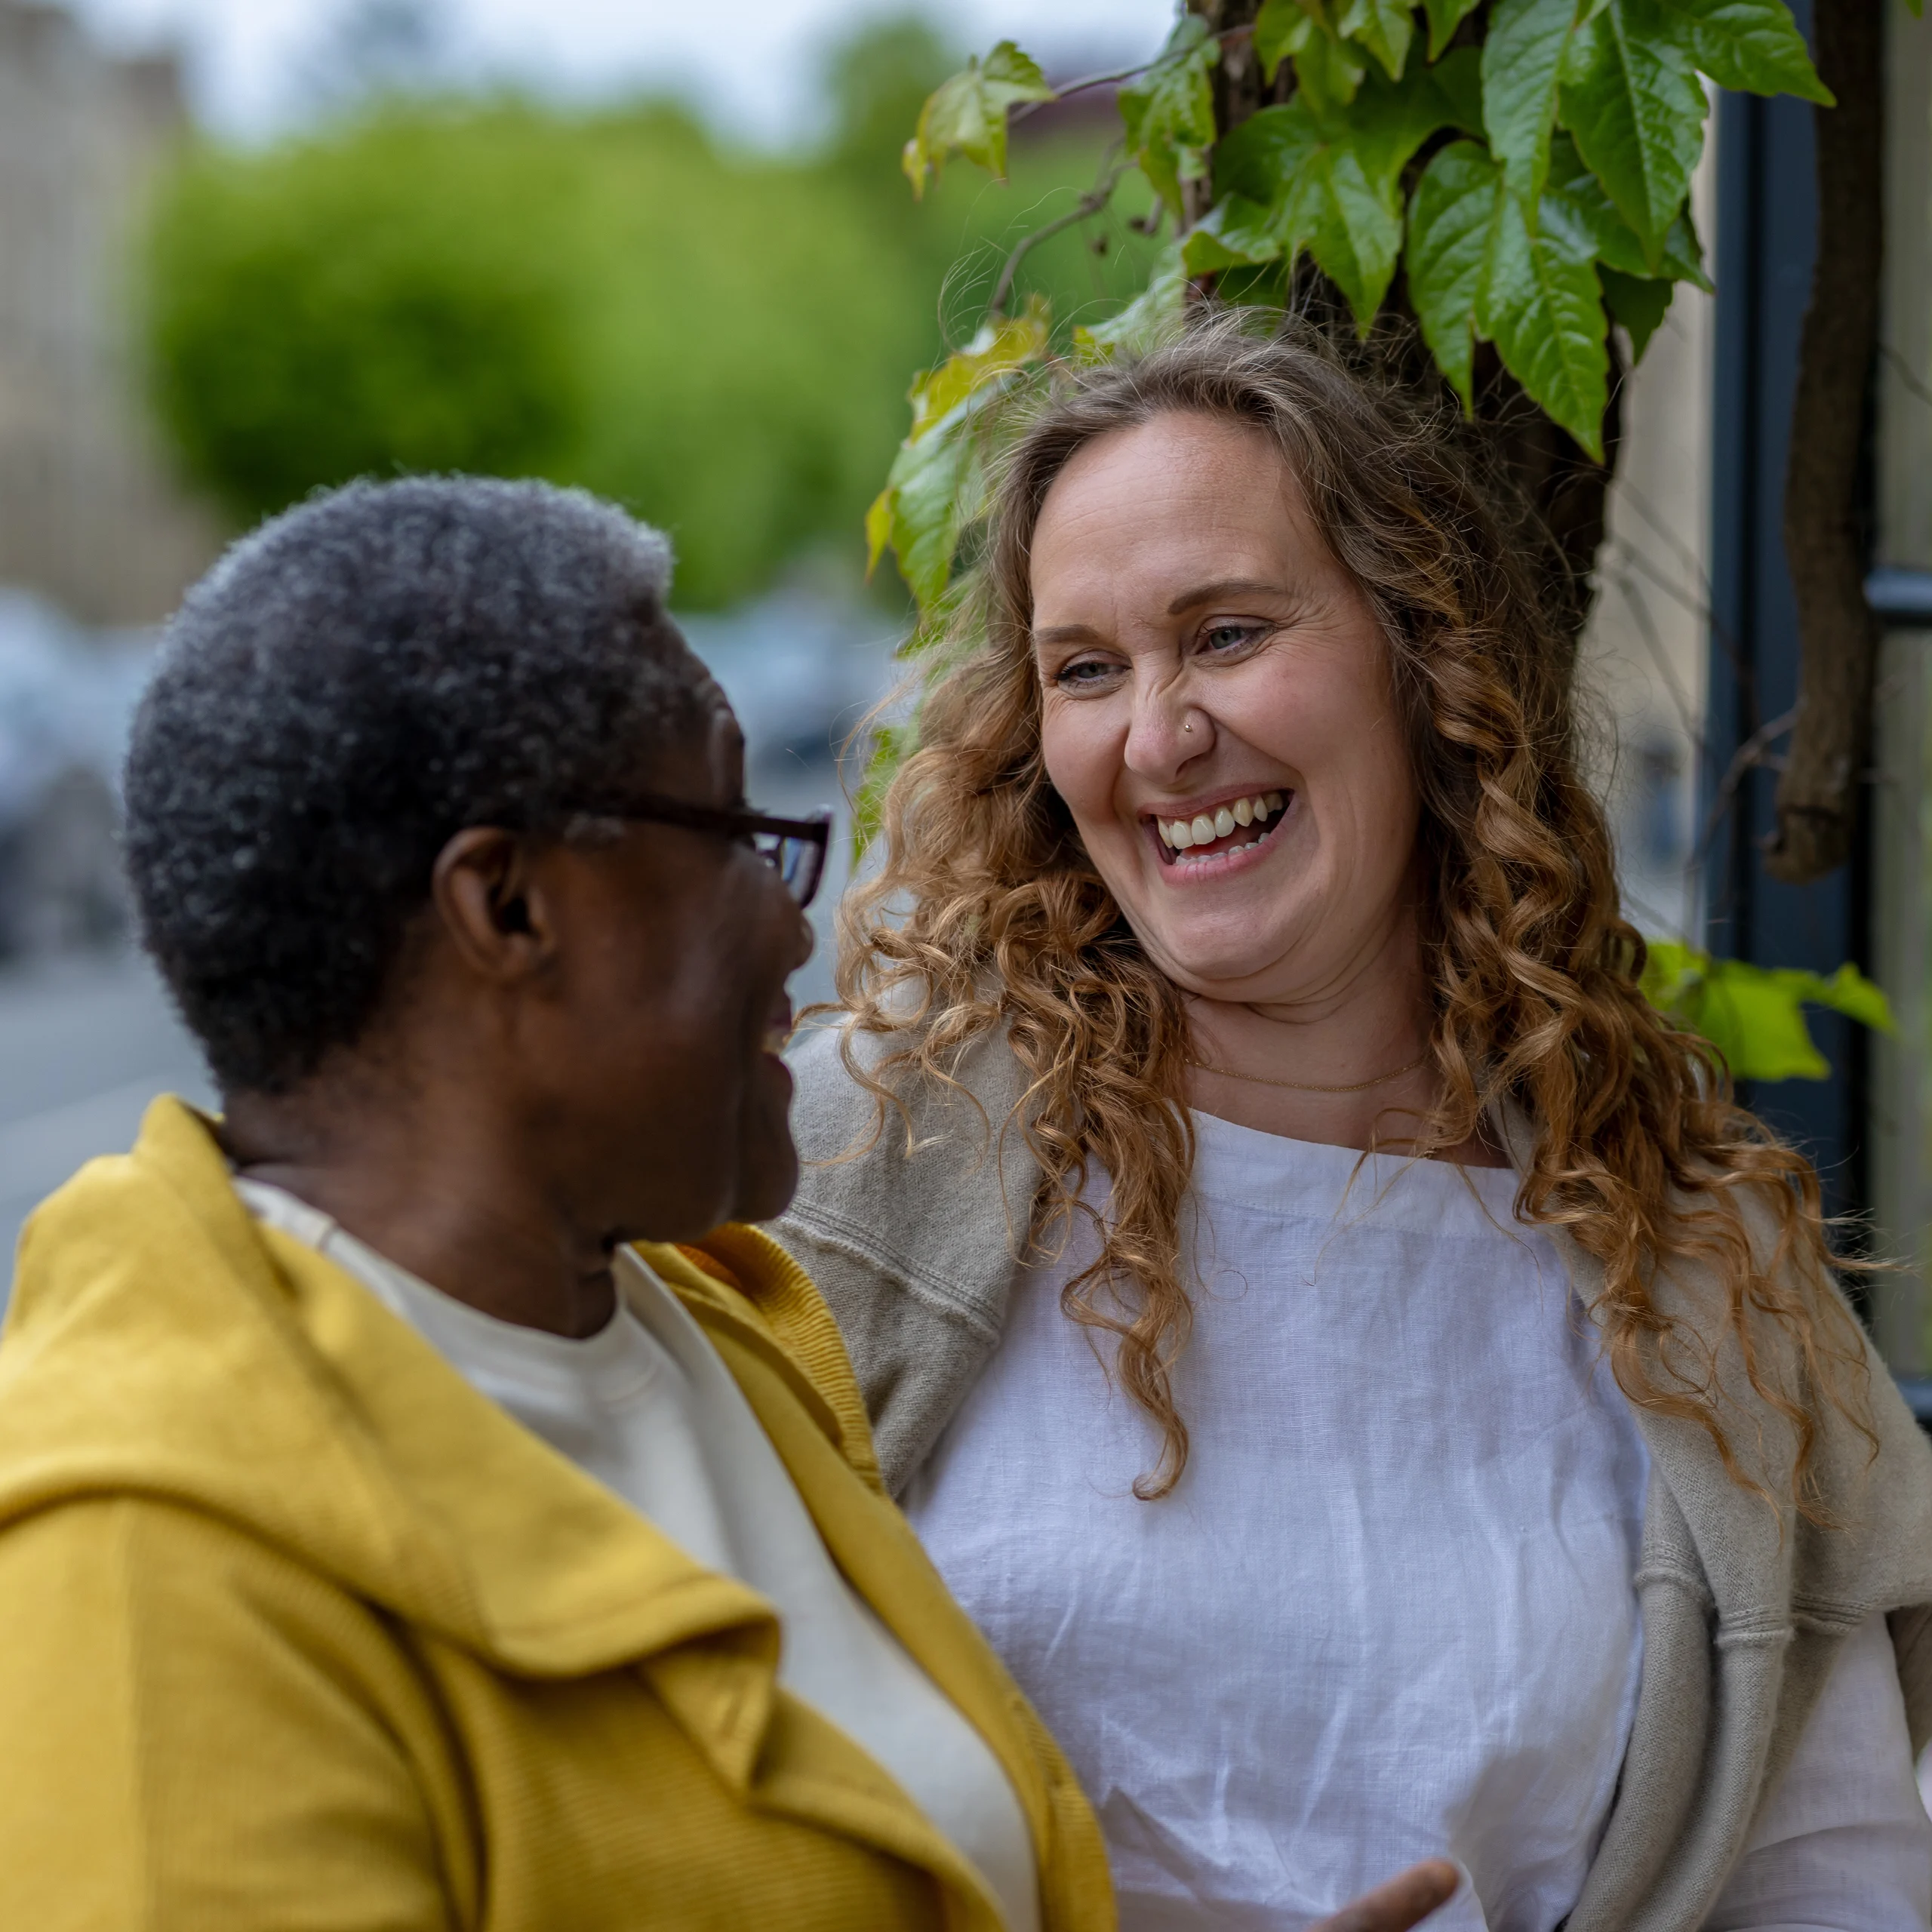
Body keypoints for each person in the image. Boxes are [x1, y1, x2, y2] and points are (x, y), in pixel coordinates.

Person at [776, 318, 1932, 1932]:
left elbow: (1830, 1879)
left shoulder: (1685, 1253)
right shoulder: (843, 1168)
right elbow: (651, 1801)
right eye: (1084, 669)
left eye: (1227, 632)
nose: (1159, 736)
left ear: (1418, 655)